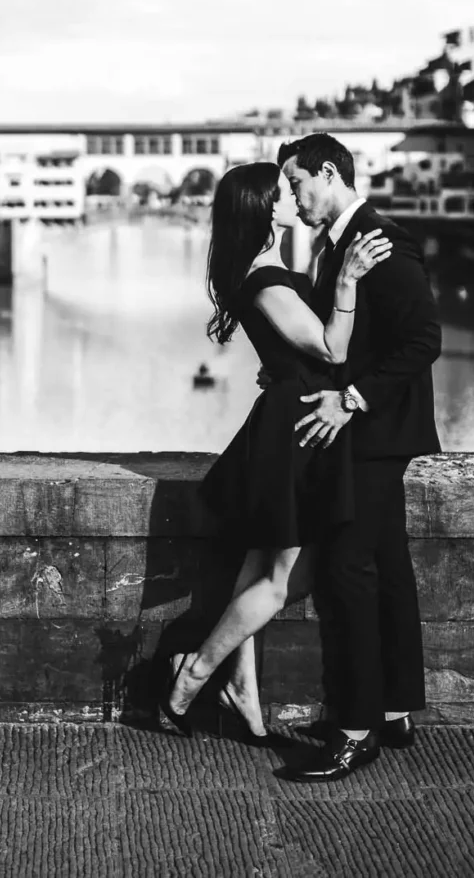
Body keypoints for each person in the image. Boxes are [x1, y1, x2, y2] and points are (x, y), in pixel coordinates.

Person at [163, 161, 392, 740]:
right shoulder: (264, 280)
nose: (294, 193)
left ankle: (243, 689)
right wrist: (347, 283)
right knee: (284, 577)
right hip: (296, 432)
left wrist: (285, 364)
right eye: (283, 189)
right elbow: (331, 350)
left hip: (291, 420)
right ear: (264, 206)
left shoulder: (266, 268)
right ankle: (191, 676)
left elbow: (297, 351)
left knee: (257, 570)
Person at [277, 132, 441, 783]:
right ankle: (394, 710)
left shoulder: (379, 242)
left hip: (371, 435)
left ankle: (352, 730)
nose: (293, 197)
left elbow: (425, 338)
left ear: (327, 172)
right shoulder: (344, 242)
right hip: (379, 436)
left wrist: (351, 399)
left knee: (347, 574)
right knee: (387, 570)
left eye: (297, 183)